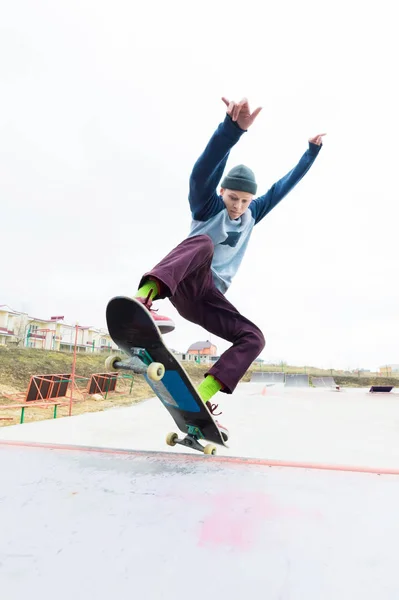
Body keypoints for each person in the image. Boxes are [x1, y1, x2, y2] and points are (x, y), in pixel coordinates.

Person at [133, 97, 325, 441]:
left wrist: (310, 153)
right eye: (232, 197)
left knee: (254, 338)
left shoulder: (255, 212)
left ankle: (202, 397)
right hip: (182, 283)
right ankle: (144, 298)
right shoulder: (207, 205)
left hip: (208, 298)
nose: (237, 206)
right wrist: (232, 130)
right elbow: (202, 170)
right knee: (204, 242)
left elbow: (284, 186)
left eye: (243, 200)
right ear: (222, 191)